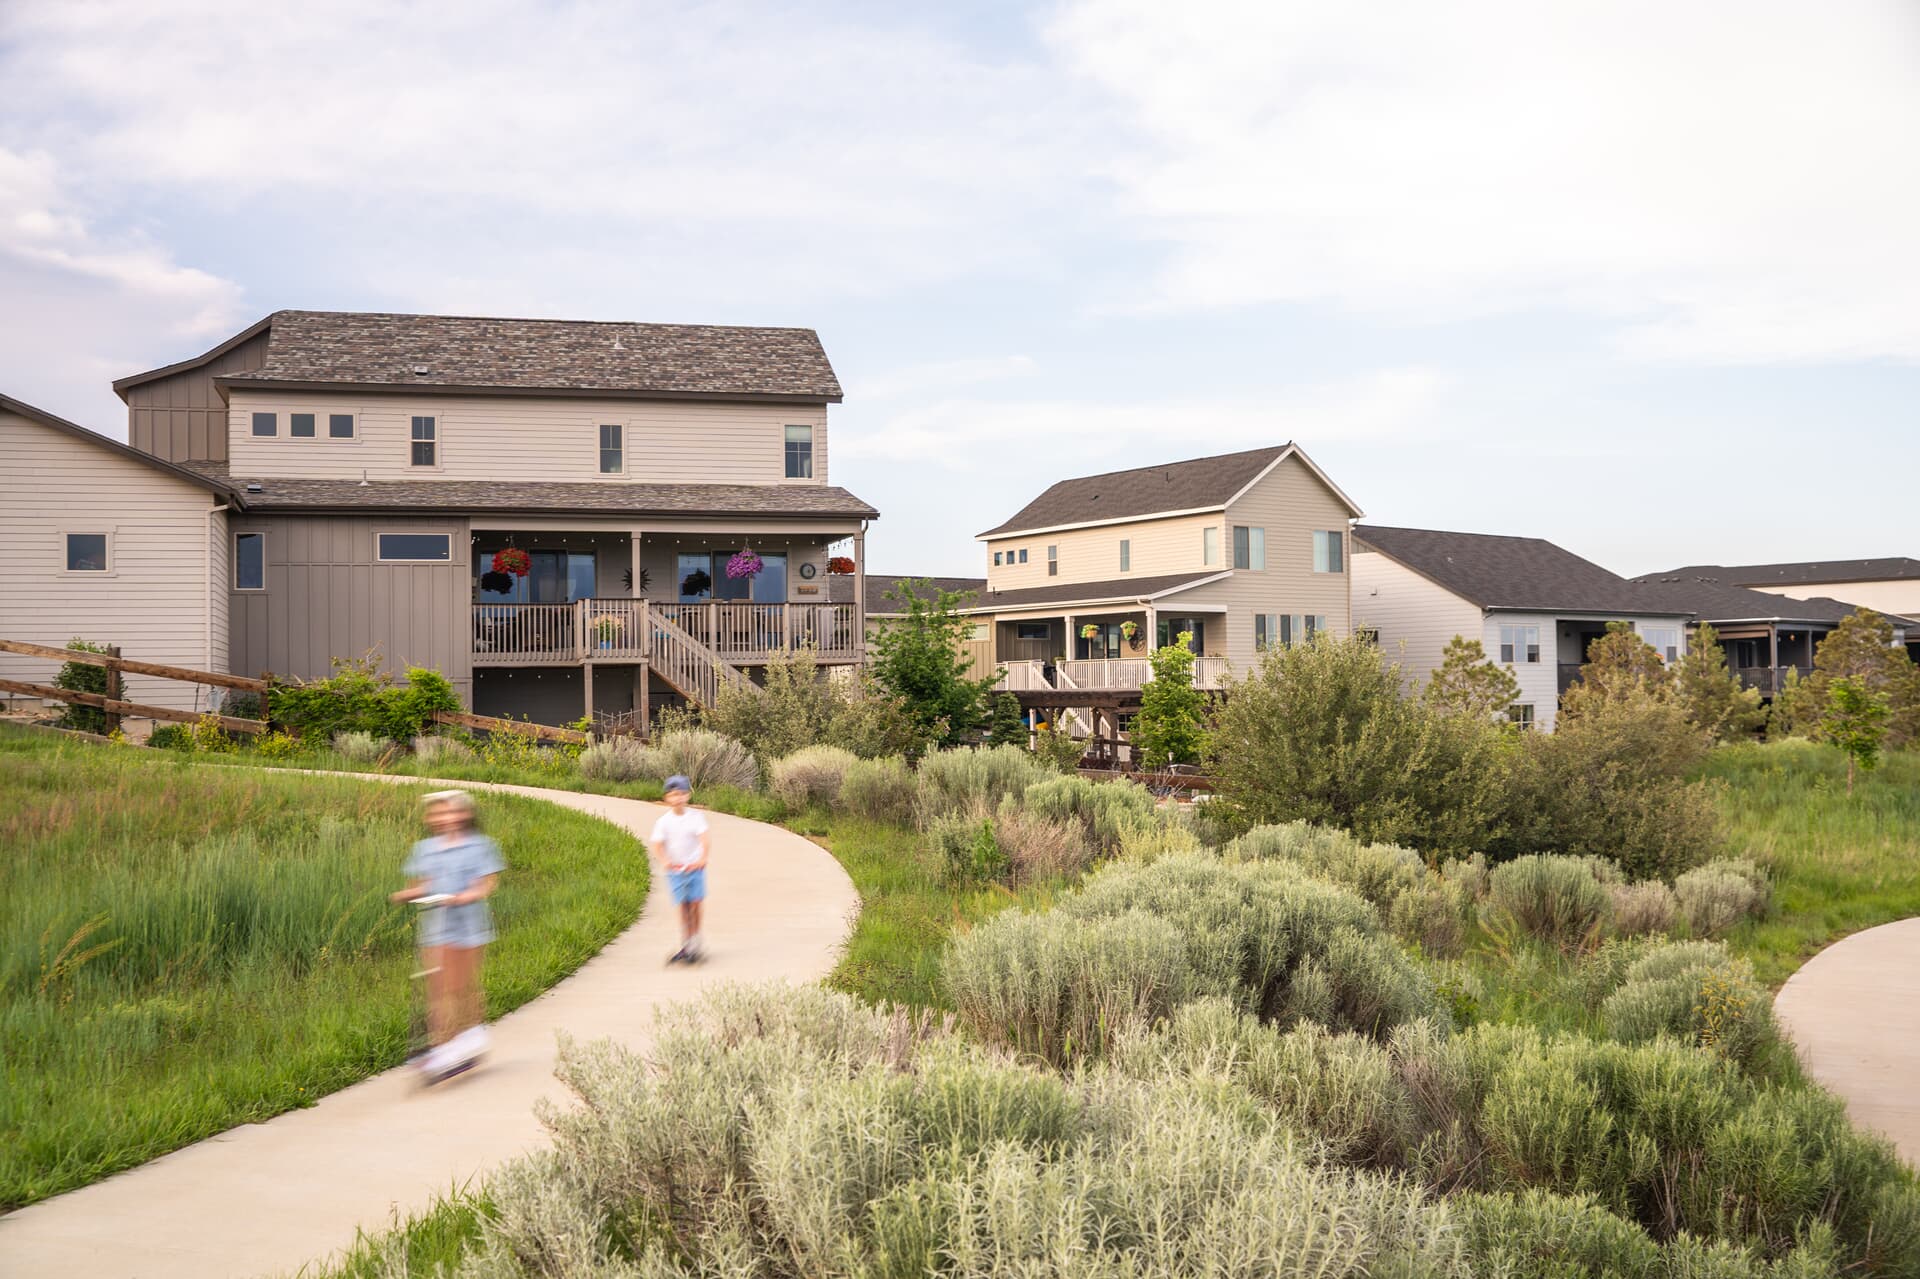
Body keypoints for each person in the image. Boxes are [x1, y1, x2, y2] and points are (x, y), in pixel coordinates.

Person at [390, 789, 502, 1075]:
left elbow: (487, 883)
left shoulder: (479, 845)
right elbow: (425, 883)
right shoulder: (425, 848)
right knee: (437, 987)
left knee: (460, 986)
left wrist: (466, 896)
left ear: (465, 814)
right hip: (437, 925)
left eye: (452, 811)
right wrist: (407, 894)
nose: (446, 817)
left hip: (469, 925)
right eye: (439, 813)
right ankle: (442, 1045)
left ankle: (469, 1035)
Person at [649, 774, 710, 963]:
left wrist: (702, 858)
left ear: (688, 796)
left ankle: (695, 941)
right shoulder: (663, 822)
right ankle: (686, 944)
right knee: (683, 907)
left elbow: (704, 839)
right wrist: (665, 861)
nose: (678, 798)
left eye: (682, 794)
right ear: (667, 797)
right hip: (675, 871)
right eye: (674, 794)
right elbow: (657, 844)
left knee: (695, 904)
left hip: (694, 869)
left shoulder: (696, 817)